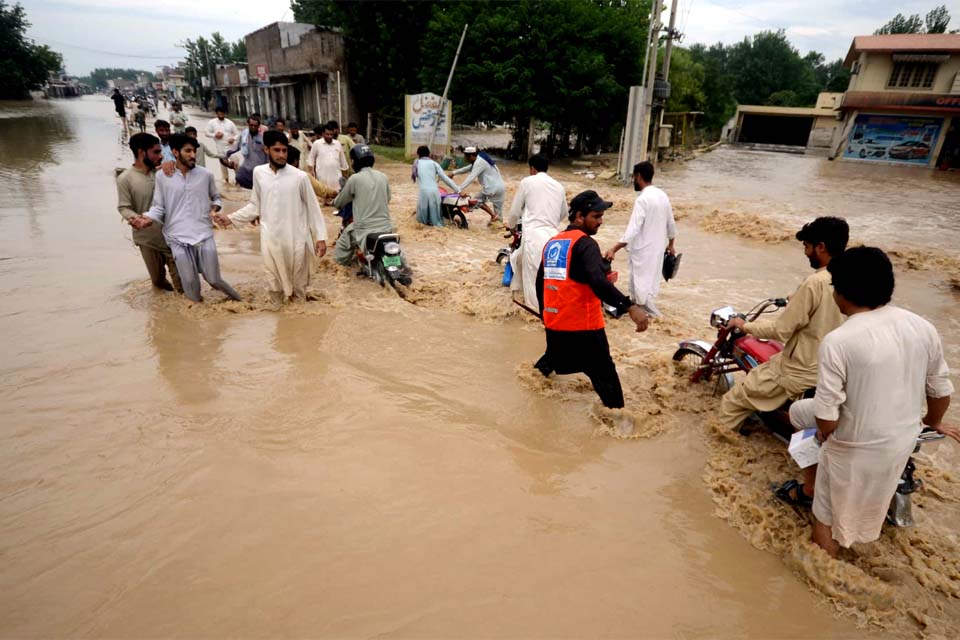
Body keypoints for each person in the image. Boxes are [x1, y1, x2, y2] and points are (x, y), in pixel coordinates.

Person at [784, 247, 956, 557]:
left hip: (854, 447)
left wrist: (825, 431)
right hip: (903, 437)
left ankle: (814, 502)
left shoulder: (839, 341)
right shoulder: (922, 326)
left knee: (799, 416)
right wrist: (932, 422)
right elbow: (940, 391)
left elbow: (827, 417)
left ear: (844, 292)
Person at [719, 217, 849, 443]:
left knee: (735, 398)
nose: (806, 252)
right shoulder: (850, 277)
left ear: (821, 246)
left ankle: (719, 444)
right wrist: (794, 298)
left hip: (800, 369)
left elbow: (782, 330)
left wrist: (744, 325)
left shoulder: (815, 282)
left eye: (807, 246)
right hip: (832, 368)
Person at [534, 190, 649, 409]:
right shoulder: (586, 244)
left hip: (556, 326)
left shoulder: (553, 243)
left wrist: (544, 315)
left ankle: (532, 383)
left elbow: (540, 282)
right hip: (583, 329)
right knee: (605, 375)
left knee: (553, 358)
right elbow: (598, 283)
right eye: (596, 216)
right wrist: (630, 307)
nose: (601, 221)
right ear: (579, 216)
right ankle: (618, 421)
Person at [215, 131, 327, 306]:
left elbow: (314, 209)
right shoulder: (259, 173)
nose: (281, 155)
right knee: (273, 284)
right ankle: (280, 325)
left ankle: (299, 323)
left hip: (296, 239)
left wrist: (321, 238)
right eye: (277, 150)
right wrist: (231, 218)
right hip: (270, 239)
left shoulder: (300, 177)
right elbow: (255, 205)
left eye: (284, 150)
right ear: (266, 149)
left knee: (298, 286)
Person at [128, 134, 241, 303]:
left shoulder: (206, 175)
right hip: (176, 237)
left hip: (203, 233)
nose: (193, 155)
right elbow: (159, 207)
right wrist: (147, 219)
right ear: (175, 152)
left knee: (214, 279)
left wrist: (214, 208)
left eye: (194, 151)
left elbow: (216, 198)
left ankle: (241, 302)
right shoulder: (162, 176)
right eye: (187, 151)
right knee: (190, 283)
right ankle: (196, 319)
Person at [603, 161, 677, 318]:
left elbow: (632, 230)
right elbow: (671, 222)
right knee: (649, 286)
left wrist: (613, 249)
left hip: (642, 251)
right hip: (657, 250)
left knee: (640, 290)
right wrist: (671, 244)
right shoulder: (662, 195)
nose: (632, 181)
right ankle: (649, 319)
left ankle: (651, 317)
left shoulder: (642, 200)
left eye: (633, 177)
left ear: (639, 176)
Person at [116, 133, 181, 292]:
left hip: (173, 237)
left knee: (183, 284)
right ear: (141, 152)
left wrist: (173, 163)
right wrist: (135, 218)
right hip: (148, 239)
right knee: (158, 282)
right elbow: (124, 207)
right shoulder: (126, 178)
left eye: (161, 152)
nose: (160, 156)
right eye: (156, 152)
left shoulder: (163, 173)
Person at [506, 153, 566, 308]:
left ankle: (534, 313)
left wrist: (511, 226)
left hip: (533, 236)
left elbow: (514, 211)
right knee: (548, 276)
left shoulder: (527, 182)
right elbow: (564, 213)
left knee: (532, 278)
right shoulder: (559, 186)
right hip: (554, 237)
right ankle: (516, 293)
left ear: (532, 169)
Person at [332, 144, 394, 266]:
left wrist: (334, 202)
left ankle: (342, 265)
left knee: (342, 248)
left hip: (363, 229)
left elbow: (340, 202)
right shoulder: (383, 177)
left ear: (354, 161)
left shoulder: (354, 179)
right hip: (386, 227)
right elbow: (388, 198)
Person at [451, 146, 505, 223]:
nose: (465, 159)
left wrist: (458, 189)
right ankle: (497, 230)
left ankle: (493, 215)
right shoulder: (481, 158)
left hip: (491, 188)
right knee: (499, 215)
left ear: (471, 156)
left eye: (466, 157)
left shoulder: (479, 162)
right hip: (501, 188)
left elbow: (471, 177)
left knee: (476, 201)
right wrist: (453, 173)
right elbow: (467, 168)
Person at [412, 145, 460, 226]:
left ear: (418, 154)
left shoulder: (416, 163)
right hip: (435, 192)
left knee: (421, 223)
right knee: (436, 222)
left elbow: (416, 176)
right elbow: (445, 179)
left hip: (423, 193)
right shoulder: (434, 164)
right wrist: (459, 190)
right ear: (429, 154)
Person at [225, 115, 267, 189]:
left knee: (261, 188)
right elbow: (237, 146)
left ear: (258, 126)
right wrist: (227, 153)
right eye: (251, 125)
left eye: (255, 125)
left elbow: (269, 153)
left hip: (260, 168)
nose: (253, 127)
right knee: (239, 177)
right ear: (248, 125)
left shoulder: (264, 137)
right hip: (247, 167)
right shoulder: (244, 135)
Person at [308, 123, 348, 191]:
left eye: (331, 134)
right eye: (327, 134)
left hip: (337, 180)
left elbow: (343, 161)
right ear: (323, 134)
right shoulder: (317, 144)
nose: (329, 136)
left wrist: (345, 175)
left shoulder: (337, 143)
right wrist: (311, 172)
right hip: (322, 179)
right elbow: (311, 159)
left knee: (336, 198)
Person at [205, 107, 239, 185]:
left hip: (231, 147)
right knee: (223, 166)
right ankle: (226, 181)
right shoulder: (212, 123)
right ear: (216, 114)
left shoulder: (230, 123)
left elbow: (237, 134)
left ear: (224, 113)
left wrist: (233, 138)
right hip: (220, 148)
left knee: (235, 163)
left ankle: (238, 180)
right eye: (219, 113)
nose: (221, 115)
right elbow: (206, 133)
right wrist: (215, 135)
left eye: (222, 113)